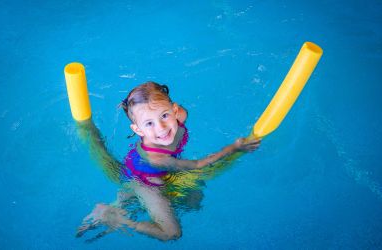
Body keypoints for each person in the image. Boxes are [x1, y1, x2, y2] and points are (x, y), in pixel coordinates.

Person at [76, 81, 260, 241]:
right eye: (149, 123)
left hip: (161, 174)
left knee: (194, 201)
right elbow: (198, 165)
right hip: (145, 183)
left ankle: (117, 205)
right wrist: (234, 148)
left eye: (164, 116)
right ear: (138, 130)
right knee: (171, 233)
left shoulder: (181, 116)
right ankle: (117, 218)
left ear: (175, 109)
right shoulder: (157, 158)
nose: (162, 128)